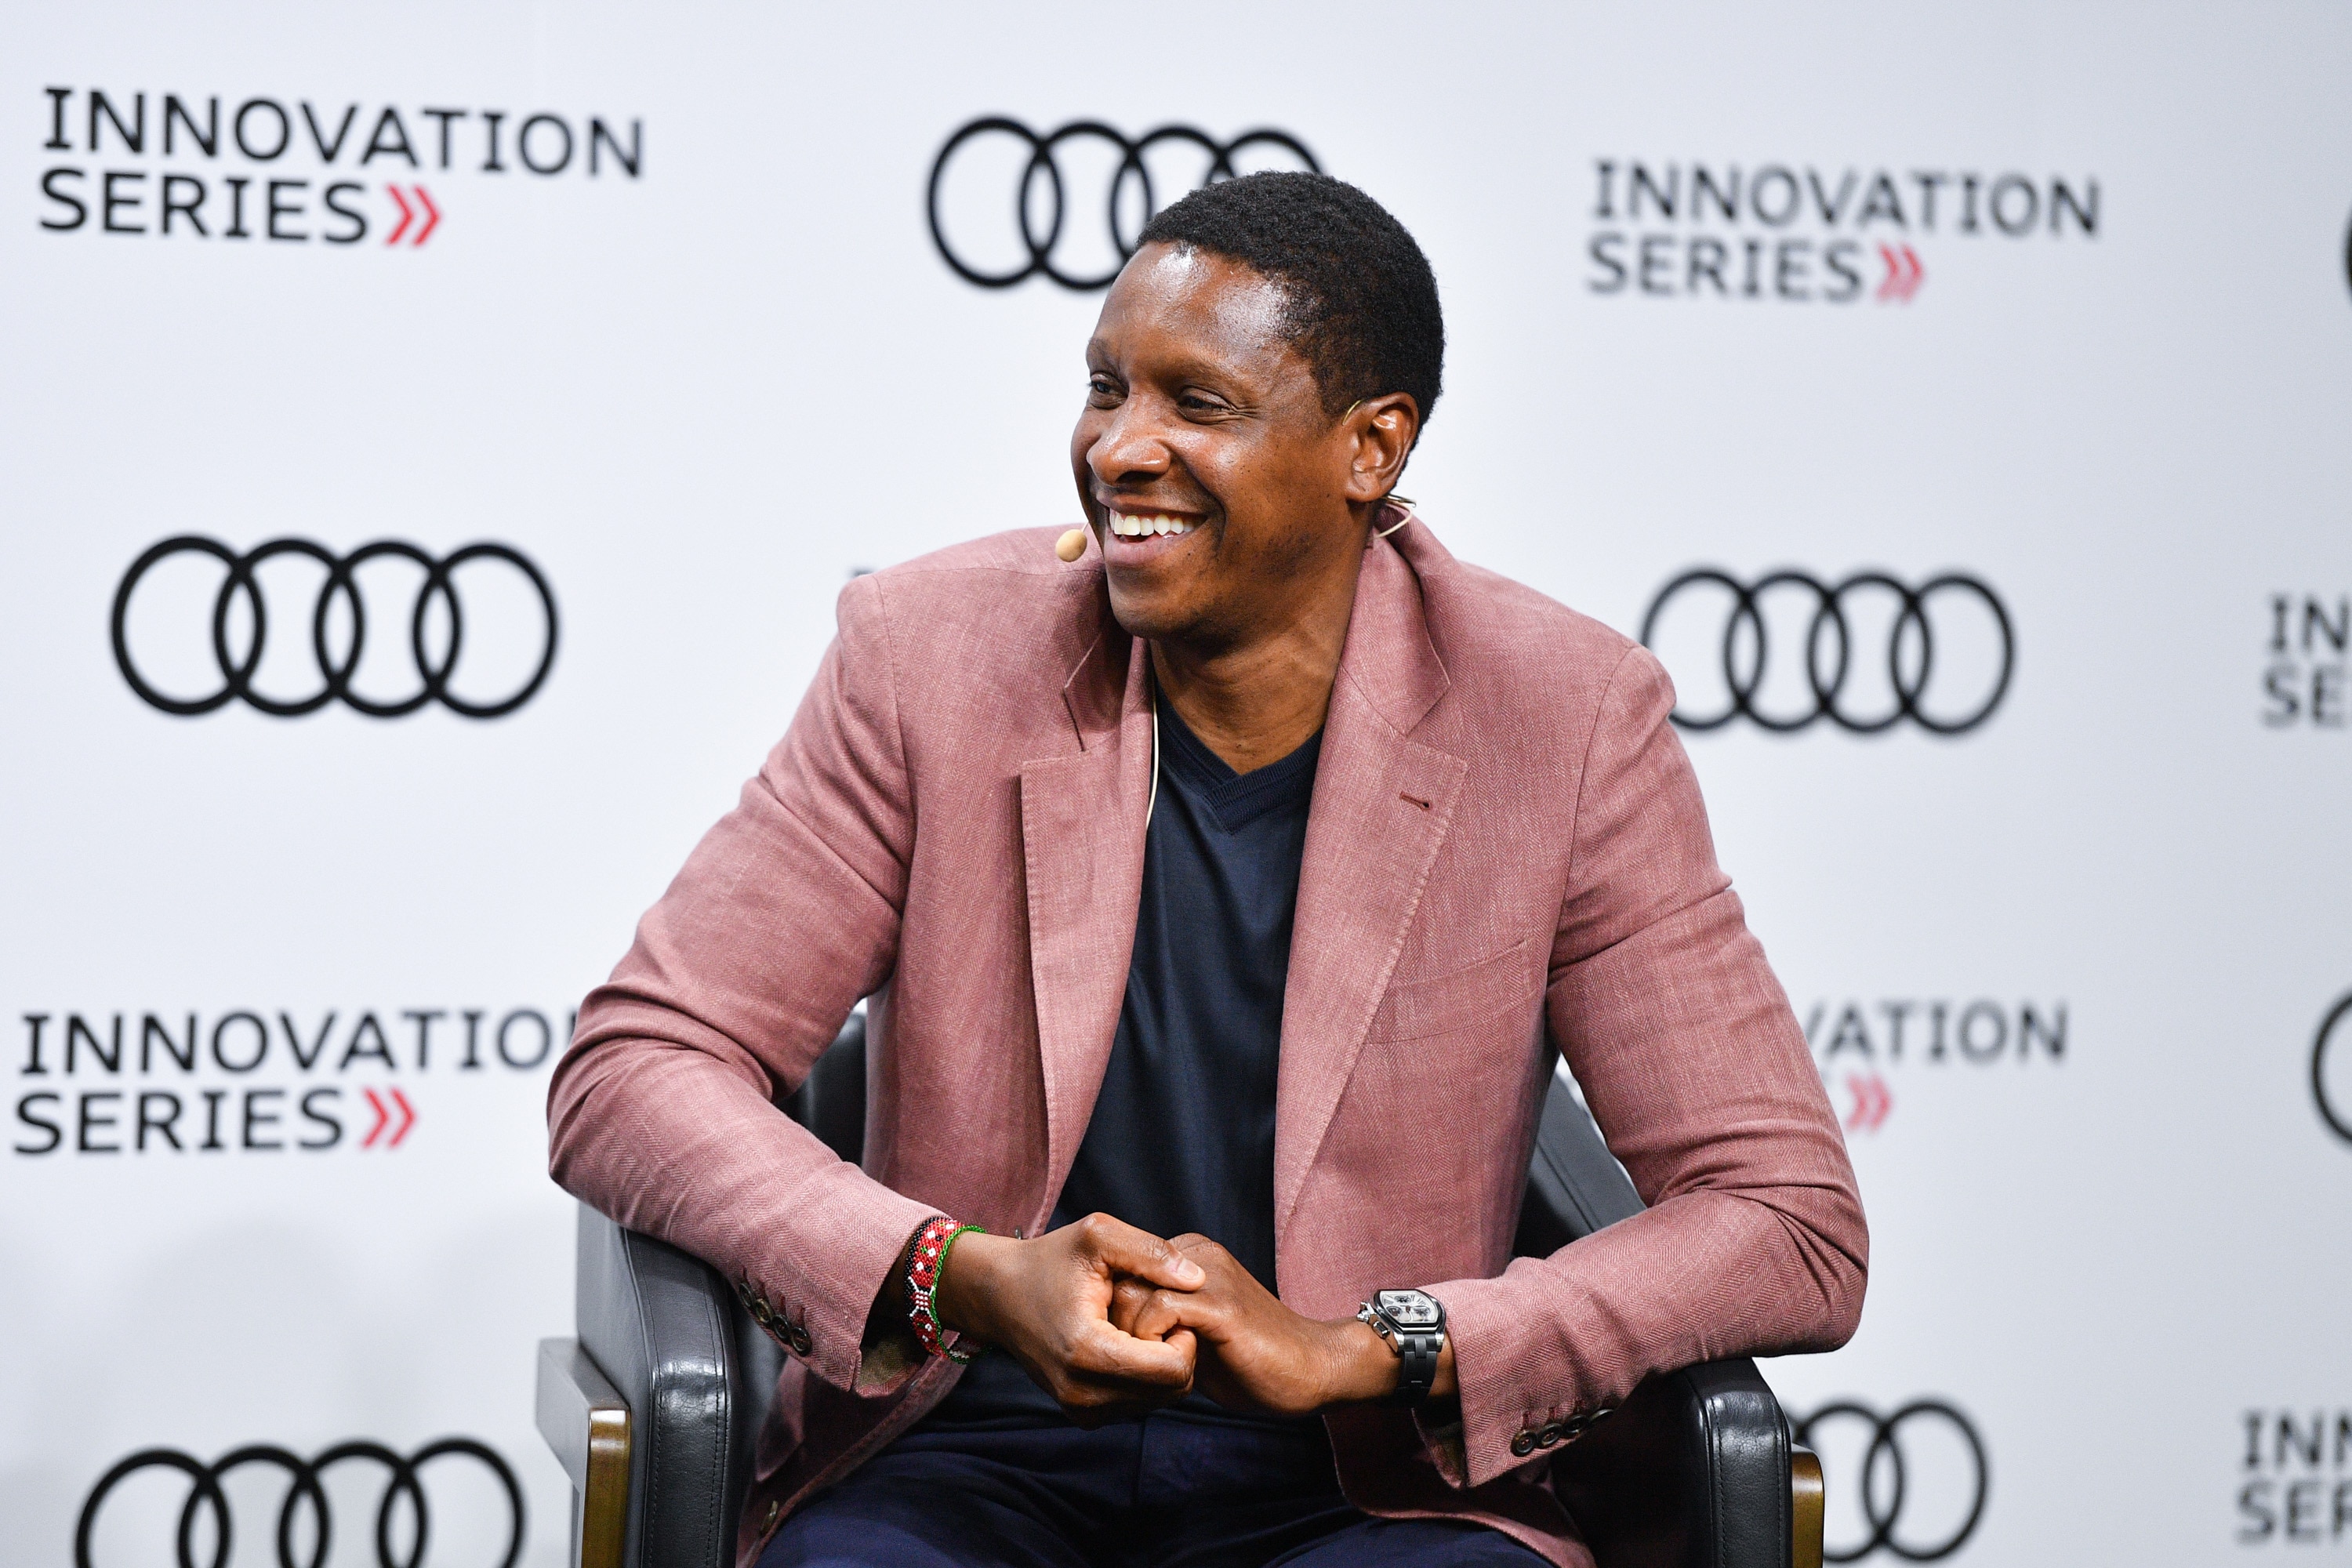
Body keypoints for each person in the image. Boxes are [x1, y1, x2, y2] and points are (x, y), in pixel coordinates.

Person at [548, 172, 1865, 1568]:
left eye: (1198, 404)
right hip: (961, 1455)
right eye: (1107, 387)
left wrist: (1373, 1352)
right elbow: (635, 1065)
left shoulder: (1563, 719)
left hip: (1360, 1486)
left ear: (1372, 448)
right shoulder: (928, 657)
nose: (1121, 447)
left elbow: (1786, 1217)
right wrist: (964, 1277)